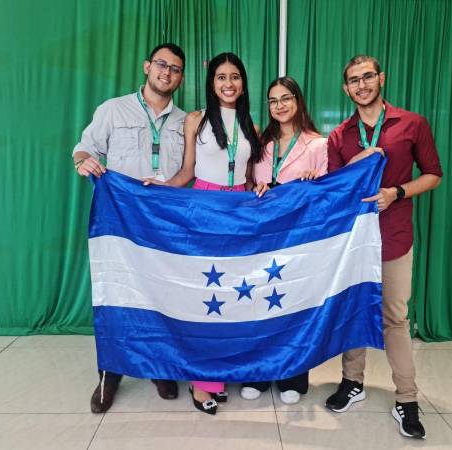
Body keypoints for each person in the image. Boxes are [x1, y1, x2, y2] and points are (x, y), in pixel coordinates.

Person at [325, 55, 442, 439]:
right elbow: (333, 188)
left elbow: (433, 175)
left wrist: (397, 192)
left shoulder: (412, 123)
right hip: (355, 243)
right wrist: (356, 161)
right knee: (354, 311)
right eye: (354, 80)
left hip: (393, 237)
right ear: (346, 89)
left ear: (381, 78)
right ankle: (352, 381)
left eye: (367, 77)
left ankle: (406, 398)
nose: (362, 85)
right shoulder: (340, 135)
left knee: (395, 318)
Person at [72, 43, 187, 413]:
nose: (166, 73)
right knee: (117, 295)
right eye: (161, 65)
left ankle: (158, 366)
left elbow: (191, 173)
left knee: (161, 295)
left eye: (175, 69)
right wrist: (84, 162)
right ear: (146, 67)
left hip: (164, 225)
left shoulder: (186, 121)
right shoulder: (113, 109)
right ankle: (110, 373)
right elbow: (85, 148)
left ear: (181, 78)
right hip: (119, 222)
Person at [151, 52, 265, 414]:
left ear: (243, 82)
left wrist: (258, 191)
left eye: (234, 77)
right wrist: (157, 190)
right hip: (203, 209)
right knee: (205, 296)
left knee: (231, 297)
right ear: (211, 82)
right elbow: (187, 171)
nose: (228, 83)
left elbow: (251, 177)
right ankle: (202, 384)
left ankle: (222, 371)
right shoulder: (195, 121)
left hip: (239, 212)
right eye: (220, 77)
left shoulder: (252, 125)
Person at [238, 76, 327, 404]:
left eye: (286, 98)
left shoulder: (318, 144)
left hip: (298, 238)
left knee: (292, 305)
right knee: (258, 303)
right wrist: (254, 190)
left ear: (298, 101)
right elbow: (247, 183)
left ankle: (293, 376)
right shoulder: (261, 142)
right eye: (273, 100)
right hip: (261, 236)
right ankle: (259, 374)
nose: (280, 106)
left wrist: (313, 184)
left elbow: (327, 196)